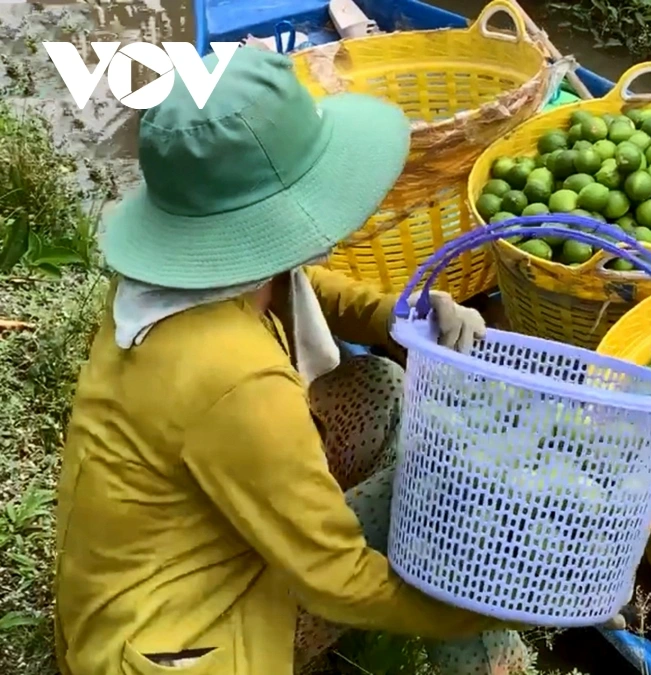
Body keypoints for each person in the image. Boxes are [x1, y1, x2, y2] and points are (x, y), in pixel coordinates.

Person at [53, 46, 607, 675]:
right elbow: (337, 582)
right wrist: (487, 608)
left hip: (126, 596)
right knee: (437, 503)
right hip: (189, 642)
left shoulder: (172, 286)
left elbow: (302, 286)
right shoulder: (237, 378)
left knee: (381, 387)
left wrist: (402, 316)